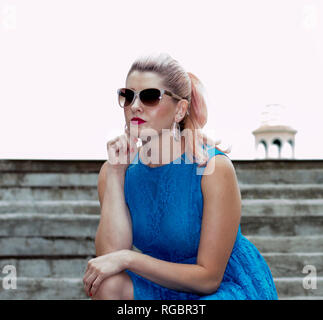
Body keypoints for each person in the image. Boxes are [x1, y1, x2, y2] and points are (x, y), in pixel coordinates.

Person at [83, 52, 279, 300]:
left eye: (150, 96)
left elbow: (208, 279)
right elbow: (109, 259)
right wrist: (114, 174)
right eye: (128, 95)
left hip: (223, 286)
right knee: (106, 285)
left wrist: (129, 258)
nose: (135, 106)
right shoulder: (116, 170)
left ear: (180, 110)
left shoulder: (213, 168)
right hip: (158, 281)